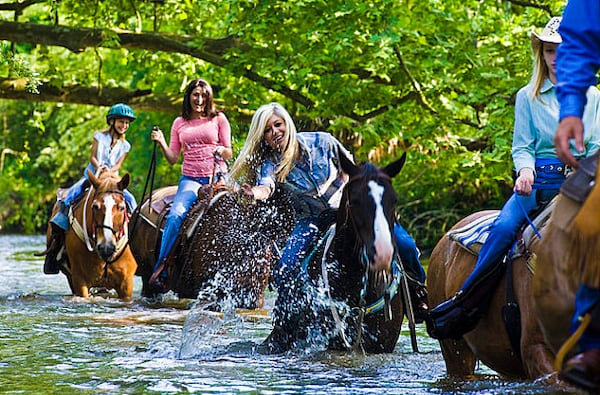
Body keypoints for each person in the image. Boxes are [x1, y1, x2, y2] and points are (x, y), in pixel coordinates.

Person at [427, 17, 600, 341]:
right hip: (535, 186)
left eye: (563, 51)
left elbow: (597, 147)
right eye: (550, 51)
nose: (556, 58)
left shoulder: (593, 97)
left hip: (579, 186)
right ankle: (467, 302)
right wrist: (525, 171)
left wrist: (584, 171)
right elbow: (522, 146)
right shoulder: (528, 96)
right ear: (541, 54)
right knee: (503, 230)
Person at [228, 102, 428, 349]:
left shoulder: (323, 141)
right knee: (287, 266)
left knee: (406, 245)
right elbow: (266, 187)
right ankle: (284, 327)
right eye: (267, 131)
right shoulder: (270, 163)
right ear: (264, 138)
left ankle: (419, 297)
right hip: (311, 220)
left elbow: (354, 171)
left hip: (349, 212)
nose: (275, 132)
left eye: (277, 125)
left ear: (287, 123)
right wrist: (253, 195)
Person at [554, 0, 600, 390]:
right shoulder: (525, 97)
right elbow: (581, 40)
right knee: (594, 216)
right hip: (538, 178)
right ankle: (593, 342)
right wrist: (571, 108)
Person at [148, 78, 232, 292]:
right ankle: (162, 268)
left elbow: (229, 151)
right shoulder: (179, 122)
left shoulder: (219, 119)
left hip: (218, 176)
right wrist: (162, 143)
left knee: (239, 212)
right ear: (189, 97)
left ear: (209, 97)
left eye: (204, 95)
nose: (200, 99)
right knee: (176, 215)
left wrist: (222, 151)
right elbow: (174, 158)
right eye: (196, 95)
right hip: (192, 179)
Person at [44, 103, 137, 274]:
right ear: (112, 121)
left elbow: (118, 164)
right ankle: (58, 235)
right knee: (69, 196)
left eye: (126, 123)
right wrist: (100, 167)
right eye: (121, 122)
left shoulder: (126, 145)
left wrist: (111, 172)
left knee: (132, 201)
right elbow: (93, 157)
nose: (124, 125)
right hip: (93, 176)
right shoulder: (99, 137)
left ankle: (134, 240)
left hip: (112, 178)